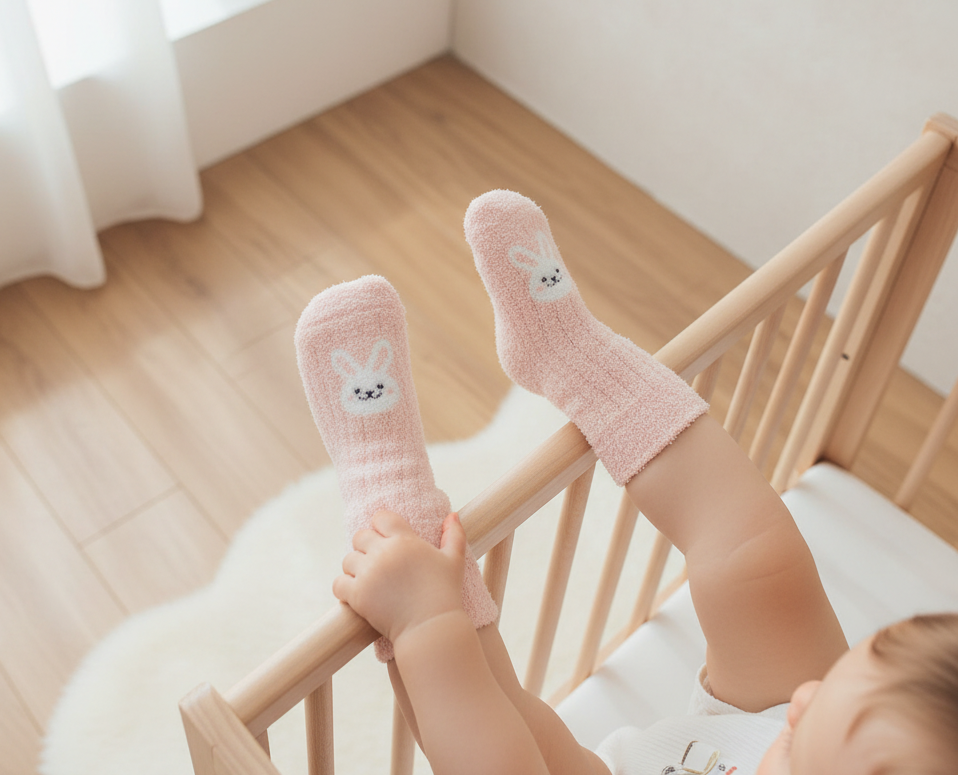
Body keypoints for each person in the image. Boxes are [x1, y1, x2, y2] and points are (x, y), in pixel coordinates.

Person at [294, 190, 958, 775]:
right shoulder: (802, 715)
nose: (807, 699)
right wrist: (810, 742)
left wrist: (427, 624)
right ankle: (572, 355)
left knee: (510, 745)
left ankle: (395, 525)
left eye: (810, 732)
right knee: (766, 570)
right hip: (715, 751)